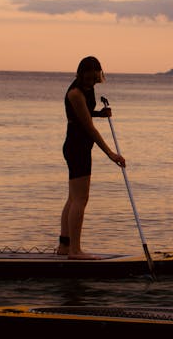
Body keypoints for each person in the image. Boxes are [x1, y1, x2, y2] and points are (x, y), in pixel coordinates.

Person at [58, 56, 126, 260]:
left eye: (94, 79)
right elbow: (88, 128)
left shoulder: (87, 89)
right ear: (81, 74)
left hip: (79, 146)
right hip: (77, 147)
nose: (91, 82)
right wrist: (111, 154)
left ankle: (64, 246)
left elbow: (85, 115)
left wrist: (99, 114)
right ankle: (75, 251)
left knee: (73, 198)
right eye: (88, 78)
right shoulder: (75, 93)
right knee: (81, 199)